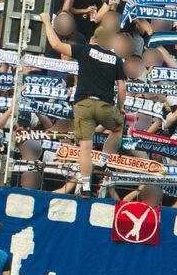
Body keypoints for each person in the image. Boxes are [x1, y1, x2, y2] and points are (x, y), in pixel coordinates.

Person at [41, 12, 126, 198]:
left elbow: (56, 45)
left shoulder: (85, 49)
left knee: (85, 147)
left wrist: (47, 22)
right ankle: (104, 159)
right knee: (118, 129)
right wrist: (119, 109)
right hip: (105, 105)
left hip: (84, 104)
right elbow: (121, 89)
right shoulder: (117, 60)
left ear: (94, 39)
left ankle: (86, 187)